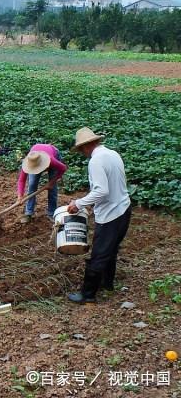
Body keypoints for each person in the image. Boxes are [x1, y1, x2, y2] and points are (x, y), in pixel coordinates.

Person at [66, 127, 131, 304]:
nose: (82, 153)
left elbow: (102, 190)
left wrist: (79, 203)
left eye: (81, 150)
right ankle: (107, 283)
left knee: (100, 253)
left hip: (111, 214)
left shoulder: (95, 161)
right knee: (111, 249)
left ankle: (87, 295)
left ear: (85, 147)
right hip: (124, 208)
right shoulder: (112, 154)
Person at [17, 144, 67, 223]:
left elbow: (63, 168)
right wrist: (20, 196)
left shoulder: (51, 160)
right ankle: (29, 213)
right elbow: (21, 180)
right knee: (32, 185)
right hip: (36, 156)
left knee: (52, 189)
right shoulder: (29, 162)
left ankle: (52, 213)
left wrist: (52, 182)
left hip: (53, 153)